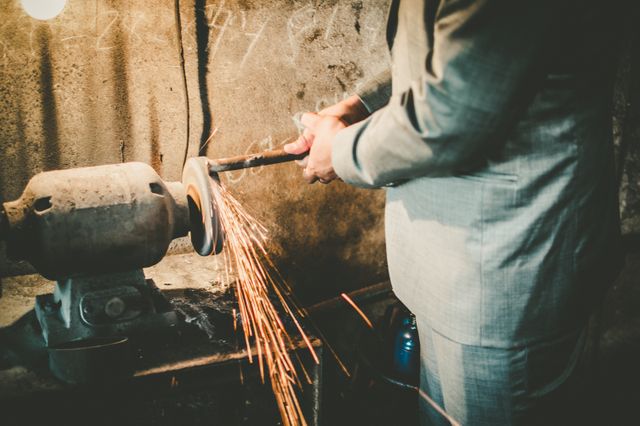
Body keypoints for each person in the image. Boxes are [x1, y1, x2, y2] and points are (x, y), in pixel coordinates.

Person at [284, 0, 626, 424]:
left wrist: (341, 151)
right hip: (463, 272)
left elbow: (452, 115)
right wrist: (362, 107)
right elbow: (459, 57)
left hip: (505, 271)